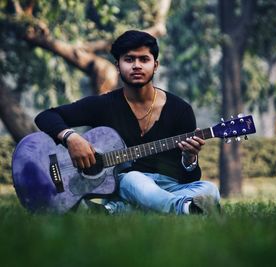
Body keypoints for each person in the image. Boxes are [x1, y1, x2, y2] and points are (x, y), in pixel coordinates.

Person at [35, 30, 221, 215]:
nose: (137, 66)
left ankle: (111, 212)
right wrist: (71, 137)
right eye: (129, 59)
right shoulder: (103, 105)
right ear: (118, 65)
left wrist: (189, 159)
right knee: (134, 179)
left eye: (144, 59)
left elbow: (188, 180)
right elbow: (46, 116)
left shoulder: (180, 110)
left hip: (168, 188)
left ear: (155, 65)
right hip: (125, 185)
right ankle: (185, 209)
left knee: (210, 190)